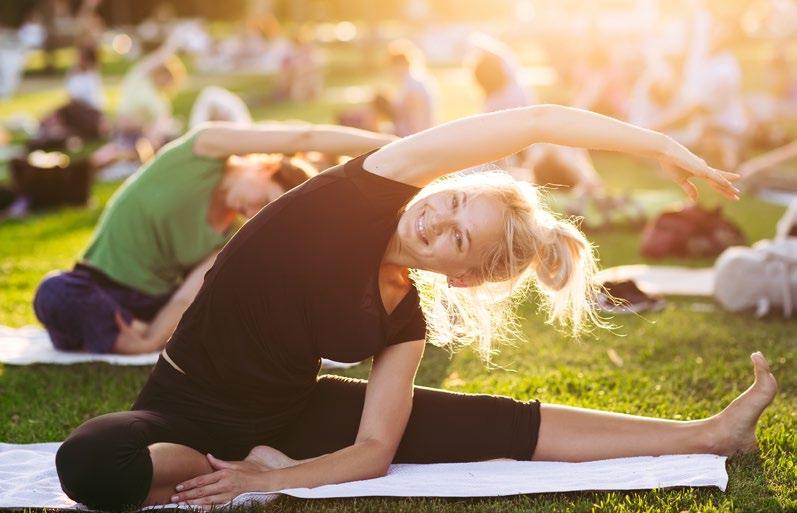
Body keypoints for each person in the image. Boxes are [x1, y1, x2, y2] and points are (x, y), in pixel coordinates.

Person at [54, 105, 775, 511]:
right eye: (455, 200)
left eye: (460, 236)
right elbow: (535, 122)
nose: (440, 218)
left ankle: (709, 432)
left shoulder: (403, 320)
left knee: (491, 422)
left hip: (285, 414)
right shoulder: (367, 187)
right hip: (178, 401)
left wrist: (268, 479)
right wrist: (655, 144)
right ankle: (213, 459)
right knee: (90, 464)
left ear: (461, 276)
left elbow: (372, 450)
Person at [33, 122, 396, 355]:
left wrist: (147, 340)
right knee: (53, 292)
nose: (255, 213)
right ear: (265, 167)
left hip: (150, 306)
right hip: (95, 285)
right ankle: (105, 331)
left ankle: (109, 336)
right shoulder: (204, 148)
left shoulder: (235, 234)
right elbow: (306, 136)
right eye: (265, 200)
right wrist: (395, 146)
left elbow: (186, 294)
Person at [385, 39, 436, 137]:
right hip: (408, 137)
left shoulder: (413, 86)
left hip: (411, 139)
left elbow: (418, 124)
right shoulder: (413, 81)